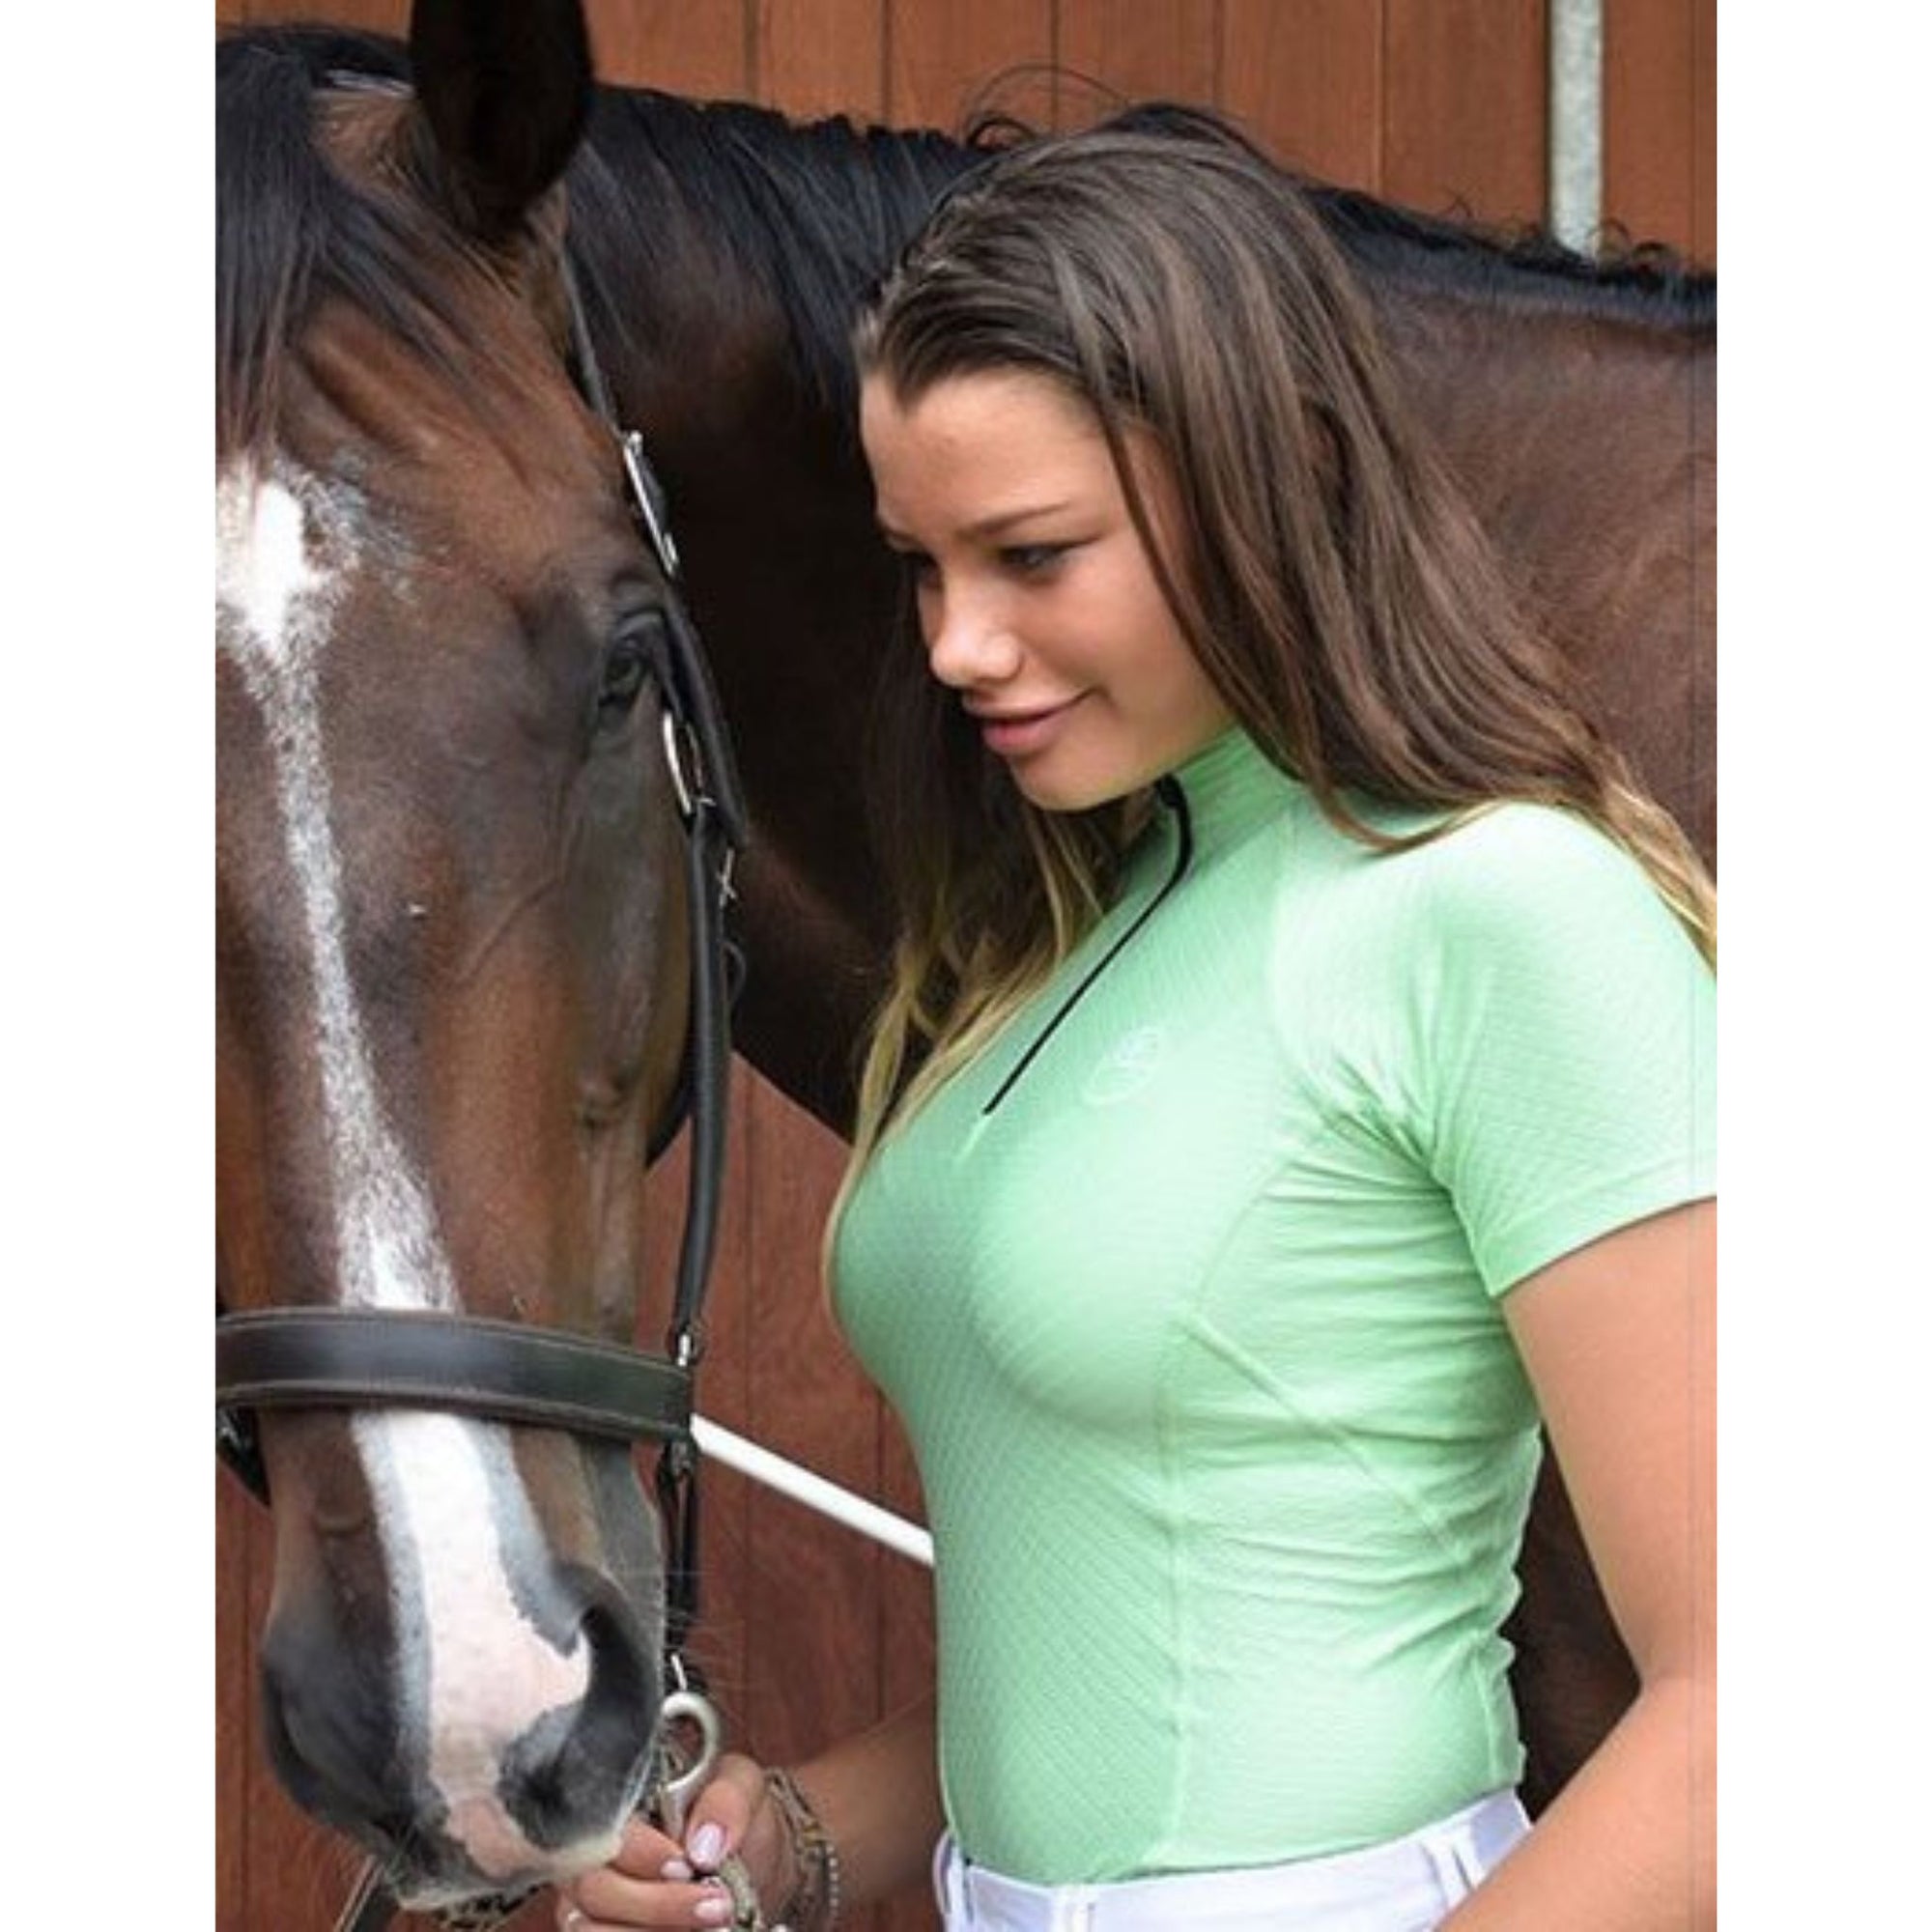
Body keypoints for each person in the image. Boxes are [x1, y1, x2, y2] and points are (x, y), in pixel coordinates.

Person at [555, 106, 1715, 1932]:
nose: (953, 644)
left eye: (1031, 555)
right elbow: (1145, 1618)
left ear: (1265, 486)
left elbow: (1755, 1703)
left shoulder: (1501, 916)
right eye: (920, 566)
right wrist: (797, 1838)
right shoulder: (1055, 942)